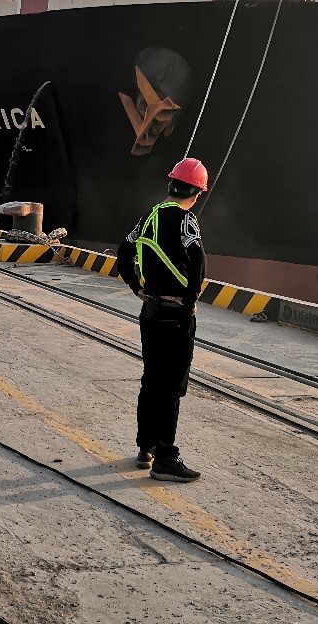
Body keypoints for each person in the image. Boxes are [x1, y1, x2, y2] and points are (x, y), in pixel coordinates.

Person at [115, 157, 208, 482]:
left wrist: (136, 286)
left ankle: (146, 448)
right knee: (171, 387)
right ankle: (166, 459)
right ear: (197, 192)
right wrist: (191, 300)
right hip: (175, 316)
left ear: (171, 184)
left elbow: (124, 251)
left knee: (152, 379)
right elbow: (197, 259)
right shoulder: (186, 220)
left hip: (151, 312)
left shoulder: (149, 216)